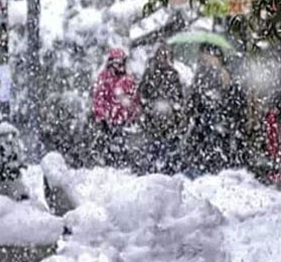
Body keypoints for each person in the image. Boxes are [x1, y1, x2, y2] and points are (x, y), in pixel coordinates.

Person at [187, 44, 249, 175]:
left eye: (207, 57)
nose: (205, 61)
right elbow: (193, 103)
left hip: (221, 129)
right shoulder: (201, 76)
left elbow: (237, 104)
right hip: (205, 131)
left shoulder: (226, 75)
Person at [91, 48, 142, 169]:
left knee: (124, 149)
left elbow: (135, 100)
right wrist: (102, 117)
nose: (119, 66)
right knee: (108, 149)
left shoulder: (128, 80)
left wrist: (133, 114)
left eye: (121, 63)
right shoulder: (104, 78)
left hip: (125, 124)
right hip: (108, 123)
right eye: (116, 63)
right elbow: (98, 98)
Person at [139, 43, 185, 173]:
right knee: (153, 149)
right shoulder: (150, 73)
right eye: (162, 56)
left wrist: (175, 109)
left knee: (168, 150)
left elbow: (179, 96)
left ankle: (167, 172)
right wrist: (149, 106)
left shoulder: (173, 74)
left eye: (167, 56)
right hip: (153, 119)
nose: (164, 59)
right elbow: (142, 93)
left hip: (169, 121)